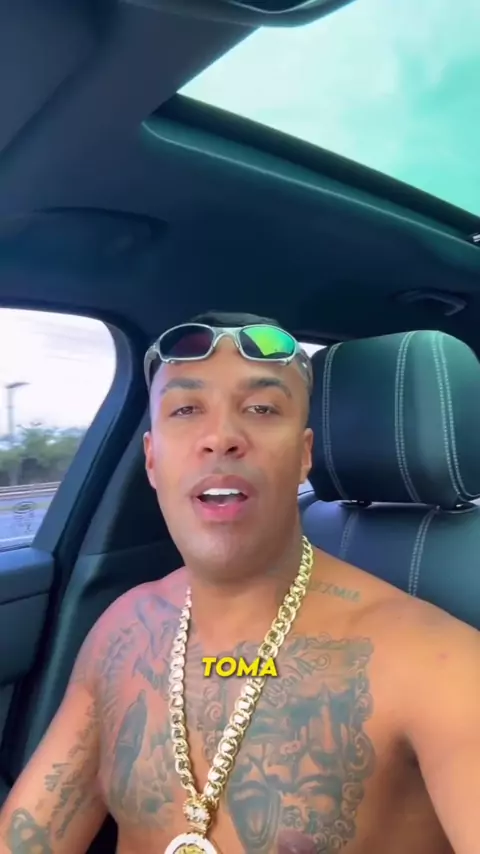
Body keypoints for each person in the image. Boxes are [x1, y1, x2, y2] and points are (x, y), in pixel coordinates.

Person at [0, 310, 478, 854]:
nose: (222, 437)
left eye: (261, 408)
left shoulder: (437, 665)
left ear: (303, 456)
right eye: (186, 409)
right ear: (152, 460)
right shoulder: (122, 633)